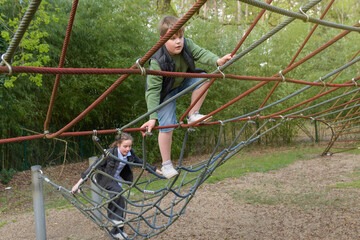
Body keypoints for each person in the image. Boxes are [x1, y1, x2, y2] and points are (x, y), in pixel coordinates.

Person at [141, 15, 233, 179]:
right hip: (165, 93)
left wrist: (217, 61)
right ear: (162, 40)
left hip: (182, 81)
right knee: (167, 125)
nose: (178, 42)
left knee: (205, 77)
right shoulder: (157, 60)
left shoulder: (186, 45)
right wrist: (152, 117)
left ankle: (193, 115)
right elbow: (153, 91)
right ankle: (167, 164)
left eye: (180, 37)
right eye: (173, 38)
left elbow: (201, 53)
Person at [72, 132, 162, 240]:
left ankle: (118, 229)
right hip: (103, 178)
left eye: (129, 146)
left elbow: (140, 162)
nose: (127, 149)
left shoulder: (130, 153)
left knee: (120, 199)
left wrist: (155, 170)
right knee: (117, 193)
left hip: (115, 178)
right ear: (118, 145)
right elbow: (93, 167)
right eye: (125, 146)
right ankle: (116, 227)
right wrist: (78, 184)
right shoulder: (109, 154)